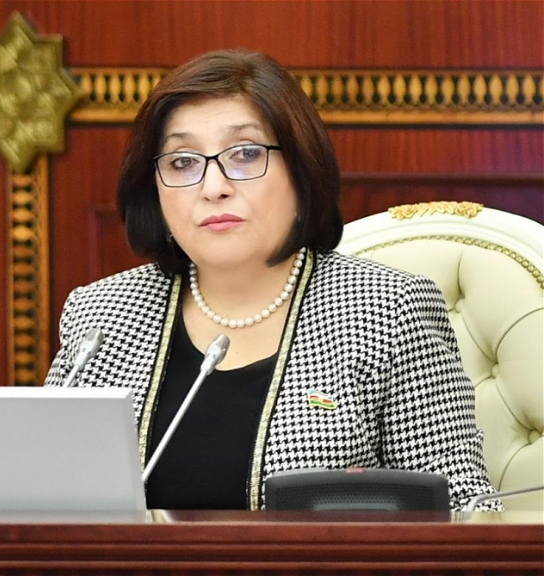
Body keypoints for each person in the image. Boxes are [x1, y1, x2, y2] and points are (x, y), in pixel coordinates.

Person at [44, 49, 501, 511]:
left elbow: (467, 511)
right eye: (182, 162)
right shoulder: (102, 316)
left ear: (301, 172)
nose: (213, 187)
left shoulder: (386, 311)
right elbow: (42, 499)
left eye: (245, 154)